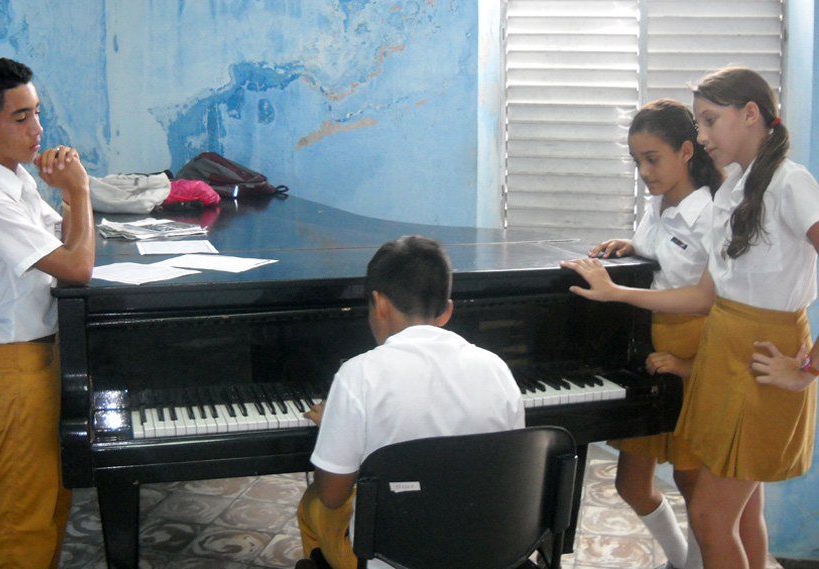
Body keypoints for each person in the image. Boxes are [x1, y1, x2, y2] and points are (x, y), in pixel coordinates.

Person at [562, 67, 819, 569]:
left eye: (708, 121)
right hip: (724, 350)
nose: (700, 137)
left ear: (750, 115)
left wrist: (808, 368)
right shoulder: (737, 187)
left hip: (760, 354)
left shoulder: (791, 181)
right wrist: (620, 286)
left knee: (708, 517)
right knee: (736, 514)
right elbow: (706, 293)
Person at [296, 235, 525, 569]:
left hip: (391, 560)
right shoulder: (497, 369)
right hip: (485, 554)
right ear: (446, 311)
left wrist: (334, 426)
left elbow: (333, 496)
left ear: (380, 304)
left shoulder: (358, 375)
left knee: (312, 506)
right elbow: (509, 469)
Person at [0, 57, 94, 568]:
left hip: (39, 361)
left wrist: (73, 199)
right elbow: (78, 264)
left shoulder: (18, 183)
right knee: (22, 526)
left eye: (37, 114)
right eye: (22, 119)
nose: (38, 129)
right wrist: (78, 189)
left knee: (50, 505)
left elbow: (67, 240)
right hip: (13, 371)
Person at [589, 99, 722, 569]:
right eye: (637, 161)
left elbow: (712, 299)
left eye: (653, 159)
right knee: (632, 484)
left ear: (687, 151)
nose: (645, 171)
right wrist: (633, 245)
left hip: (692, 351)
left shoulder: (712, 214)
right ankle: (680, 558)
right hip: (650, 349)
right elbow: (661, 259)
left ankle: (692, 564)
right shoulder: (657, 205)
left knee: (693, 485)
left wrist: (689, 366)